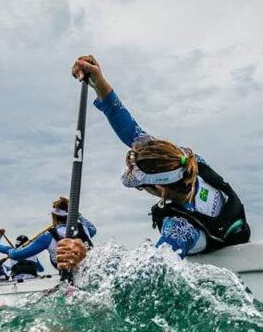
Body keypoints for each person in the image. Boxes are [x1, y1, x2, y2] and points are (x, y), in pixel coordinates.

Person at [71, 55, 250, 258]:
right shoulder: (188, 162)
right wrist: (98, 82)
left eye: (141, 187)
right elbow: (131, 130)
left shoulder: (180, 229)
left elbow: (147, 274)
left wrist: (85, 257)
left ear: (161, 189)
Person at [0, 196, 97, 272]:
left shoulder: (47, 237)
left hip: (69, 279)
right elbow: (93, 229)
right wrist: (79, 216)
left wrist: (10, 250)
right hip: (90, 272)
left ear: (54, 216)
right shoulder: (85, 228)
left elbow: (16, 255)